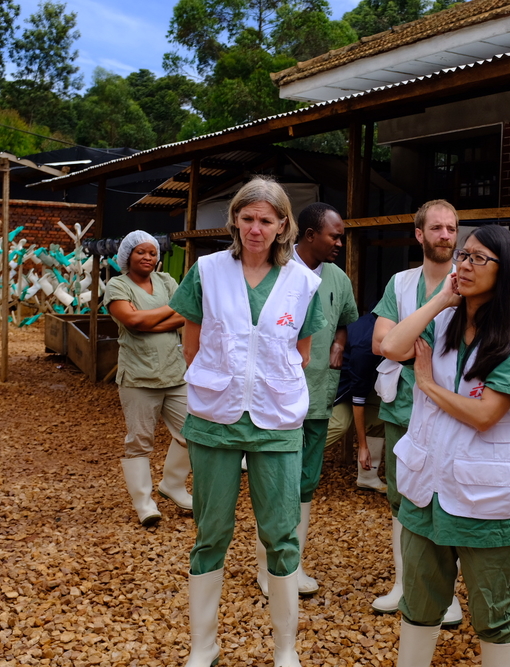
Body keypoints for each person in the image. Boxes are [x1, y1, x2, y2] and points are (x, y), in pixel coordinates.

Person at [169, 177, 326, 667]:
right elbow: (190, 344)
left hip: (276, 421)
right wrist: (219, 380)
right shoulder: (207, 271)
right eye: (248, 218)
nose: (256, 228)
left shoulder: (304, 282)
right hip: (216, 416)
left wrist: (265, 383)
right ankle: (203, 646)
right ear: (235, 219)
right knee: (210, 530)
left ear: (283, 225)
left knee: (280, 533)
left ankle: (285, 649)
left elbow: (302, 352)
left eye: (267, 219)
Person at [381, 225, 510, 667]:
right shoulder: (443, 322)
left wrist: (426, 384)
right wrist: (442, 299)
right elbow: (392, 344)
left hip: (484, 500)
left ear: (505, 270)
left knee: (493, 612)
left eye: (478, 259)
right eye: (462, 257)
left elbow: (485, 414)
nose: (464, 265)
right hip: (426, 489)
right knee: (418, 603)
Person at [257, 202, 357, 596]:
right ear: (310, 235)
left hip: (317, 397)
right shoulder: (277, 269)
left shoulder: (338, 279)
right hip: (277, 399)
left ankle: (291, 567)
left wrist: (338, 342)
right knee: (275, 483)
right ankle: (267, 569)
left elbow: (348, 321)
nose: (339, 244)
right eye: (335, 236)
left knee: (305, 484)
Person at [371, 199, 463, 624]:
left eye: (452, 228)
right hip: (402, 405)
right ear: (419, 234)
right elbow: (380, 343)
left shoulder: (470, 280)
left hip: (449, 406)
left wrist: (405, 344)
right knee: (401, 495)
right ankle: (404, 584)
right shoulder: (401, 283)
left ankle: (450, 595)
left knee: (449, 493)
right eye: (437, 228)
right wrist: (416, 354)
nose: (446, 235)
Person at [105, 231, 192, 527]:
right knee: (140, 441)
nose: (147, 257)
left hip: (174, 373)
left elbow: (187, 313)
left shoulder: (167, 281)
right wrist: (170, 311)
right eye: (140, 252)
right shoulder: (118, 285)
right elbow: (131, 321)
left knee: (192, 432)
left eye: (152, 253)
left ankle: (173, 486)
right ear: (127, 255)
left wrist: (147, 320)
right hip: (139, 377)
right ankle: (144, 502)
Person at [325, 310, 387, 493]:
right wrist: (362, 446)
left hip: (363, 383)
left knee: (378, 413)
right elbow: (358, 397)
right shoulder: (366, 342)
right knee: (339, 422)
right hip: (339, 386)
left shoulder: (381, 318)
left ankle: (368, 476)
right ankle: (275, 457)